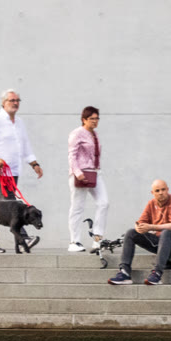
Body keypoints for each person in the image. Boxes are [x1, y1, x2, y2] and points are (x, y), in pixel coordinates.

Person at [107, 179, 171, 286]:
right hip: (162, 242)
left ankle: (157, 273)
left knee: (166, 232)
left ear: (167, 190)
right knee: (131, 233)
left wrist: (151, 227)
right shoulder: (151, 204)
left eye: (163, 190)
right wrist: (139, 227)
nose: (161, 193)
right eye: (157, 191)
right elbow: (140, 222)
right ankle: (124, 273)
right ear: (152, 193)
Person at [0, 89, 41, 201]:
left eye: (17, 100)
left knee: (2, 204)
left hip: (14, 171)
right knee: (8, 202)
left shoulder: (19, 122)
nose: (15, 103)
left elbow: (25, 145)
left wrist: (34, 164)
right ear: (3, 102)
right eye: (12, 100)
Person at [67, 106, 106, 252]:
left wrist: (97, 169)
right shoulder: (77, 133)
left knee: (104, 203)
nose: (95, 121)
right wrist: (77, 172)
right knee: (78, 207)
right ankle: (74, 241)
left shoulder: (95, 134)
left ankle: (97, 238)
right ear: (84, 119)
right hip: (81, 174)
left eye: (97, 118)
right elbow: (72, 155)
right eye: (91, 119)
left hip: (94, 173)